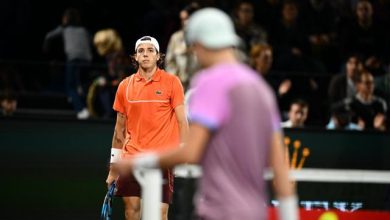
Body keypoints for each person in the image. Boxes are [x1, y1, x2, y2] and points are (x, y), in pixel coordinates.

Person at [118, 8, 299, 220]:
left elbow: (191, 151)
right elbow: (280, 170)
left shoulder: (209, 82)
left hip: (219, 212)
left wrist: (137, 162)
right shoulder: (261, 88)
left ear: (200, 44)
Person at [105, 36, 188, 220]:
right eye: (141, 51)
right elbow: (119, 131)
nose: (145, 54)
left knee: (158, 215)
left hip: (162, 160)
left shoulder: (172, 82)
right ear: (135, 57)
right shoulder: (124, 86)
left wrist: (184, 152)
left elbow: (183, 122)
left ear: (158, 56)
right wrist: (113, 168)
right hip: (132, 158)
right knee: (131, 212)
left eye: (150, 50)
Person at [43, 8, 93, 119]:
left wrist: (45, 47)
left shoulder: (64, 29)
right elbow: (91, 40)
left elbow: (48, 36)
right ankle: (83, 102)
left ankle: (81, 110)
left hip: (74, 60)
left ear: (66, 18)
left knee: (70, 86)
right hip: (87, 60)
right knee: (82, 84)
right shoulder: (84, 30)